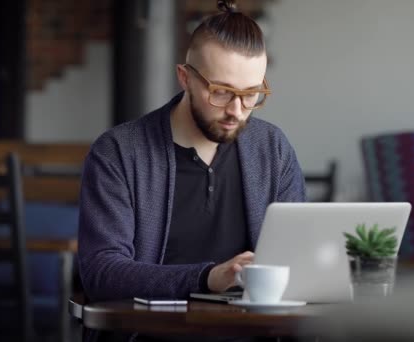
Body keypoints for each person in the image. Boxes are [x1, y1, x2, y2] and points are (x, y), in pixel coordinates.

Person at [78, 0, 305, 309]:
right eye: (221, 92)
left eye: (251, 94)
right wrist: (207, 277)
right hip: (148, 334)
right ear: (185, 77)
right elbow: (101, 273)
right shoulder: (118, 152)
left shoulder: (273, 149)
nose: (236, 110)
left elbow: (297, 262)